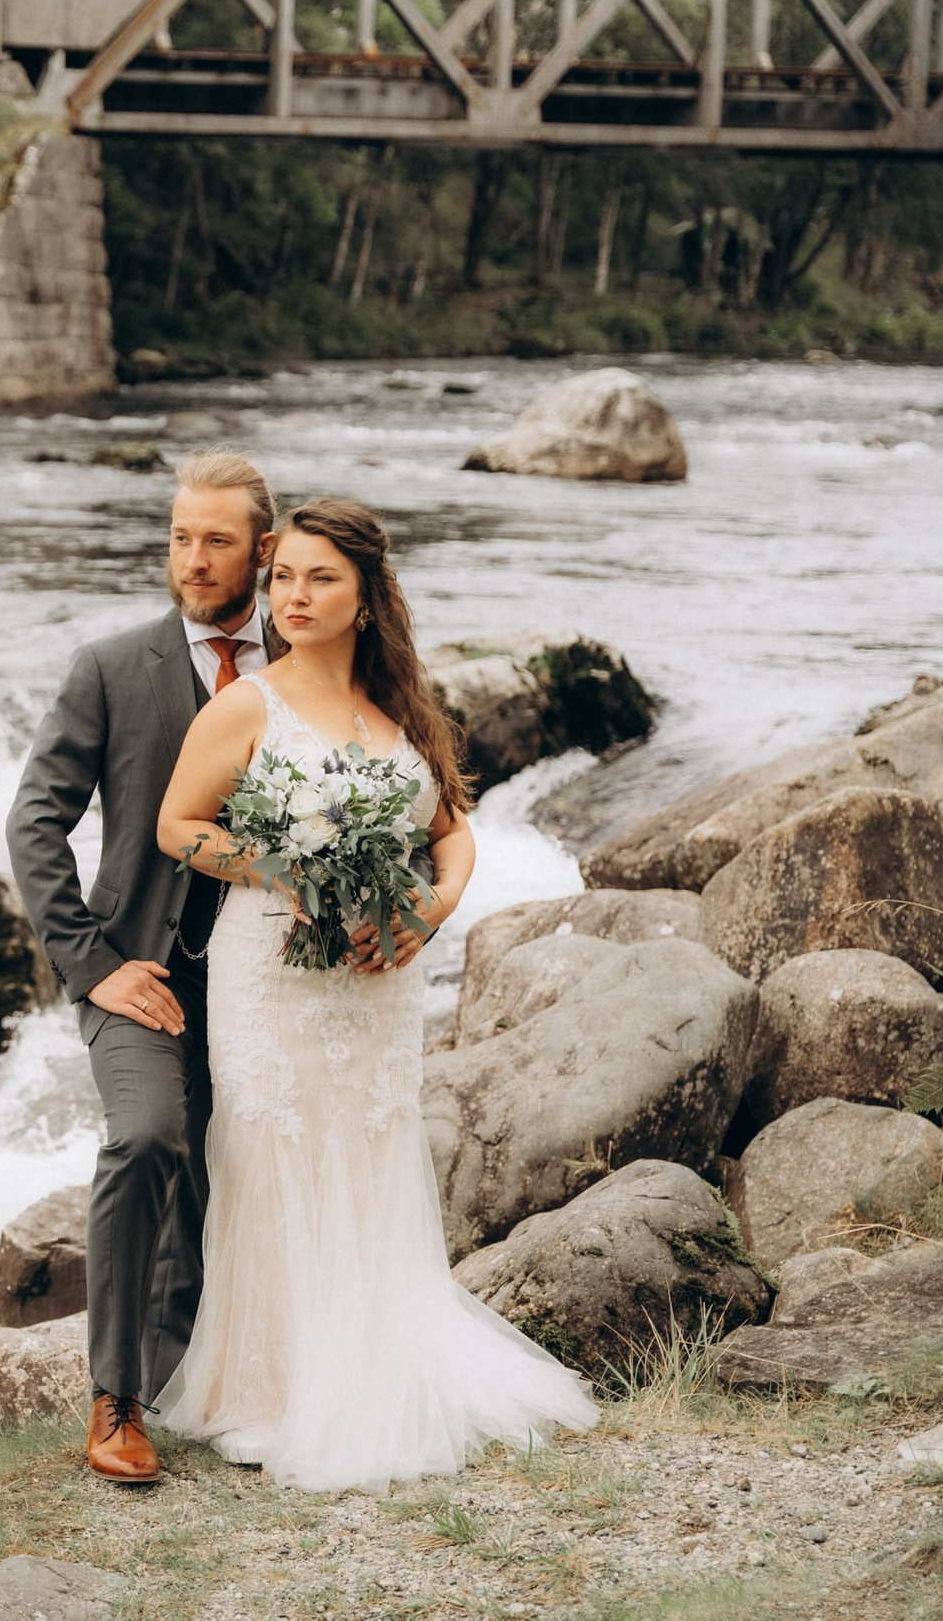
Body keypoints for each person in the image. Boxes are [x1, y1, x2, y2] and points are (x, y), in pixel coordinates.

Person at [151, 498, 598, 1495]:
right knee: (274, 1150)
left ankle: (374, 1372)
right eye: (282, 579)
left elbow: (450, 828)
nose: (293, 597)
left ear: (365, 597)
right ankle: (265, 1391)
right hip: (269, 973)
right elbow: (176, 826)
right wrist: (281, 863)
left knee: (367, 1147)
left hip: (379, 977)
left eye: (319, 579)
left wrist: (432, 908)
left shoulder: (398, 711)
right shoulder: (246, 706)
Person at [5, 451, 286, 1485]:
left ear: (264, 548)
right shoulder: (110, 669)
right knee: (149, 1137)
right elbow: (35, 823)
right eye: (179, 537)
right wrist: (89, 963)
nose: (193, 559)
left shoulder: (307, 664)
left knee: (235, 1171)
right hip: (142, 973)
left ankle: (199, 1381)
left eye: (216, 540)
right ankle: (115, 1399)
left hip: (274, 976)